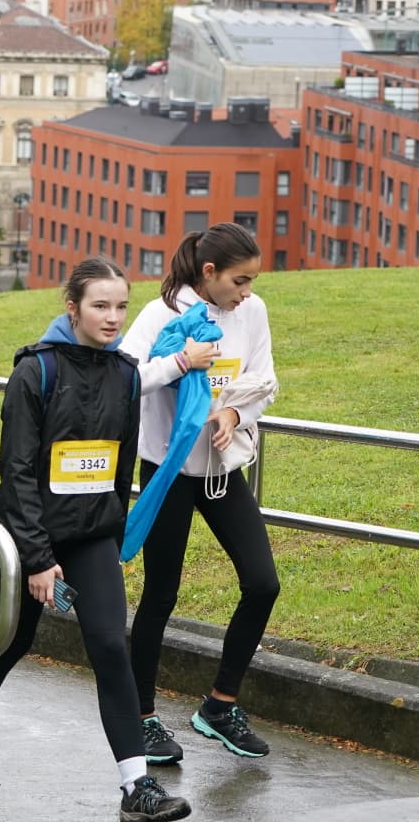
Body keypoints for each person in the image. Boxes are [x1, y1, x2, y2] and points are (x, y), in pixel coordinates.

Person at [0, 256, 192, 822]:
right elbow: (19, 472)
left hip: (91, 536)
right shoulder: (35, 371)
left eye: (120, 307)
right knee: (12, 643)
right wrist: (36, 558)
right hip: (23, 536)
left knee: (110, 645)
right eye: (99, 306)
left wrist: (111, 533)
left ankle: (137, 786)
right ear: (72, 308)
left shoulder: (129, 373)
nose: (112, 317)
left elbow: (120, 467)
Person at [121, 225, 279, 762]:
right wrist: (181, 362)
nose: (247, 292)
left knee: (263, 583)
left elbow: (265, 379)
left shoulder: (251, 313)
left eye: (252, 280)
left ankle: (219, 705)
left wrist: (235, 412)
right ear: (208, 273)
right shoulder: (161, 314)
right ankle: (141, 716)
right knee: (161, 594)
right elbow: (123, 380)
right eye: (240, 280)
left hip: (219, 467)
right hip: (166, 466)